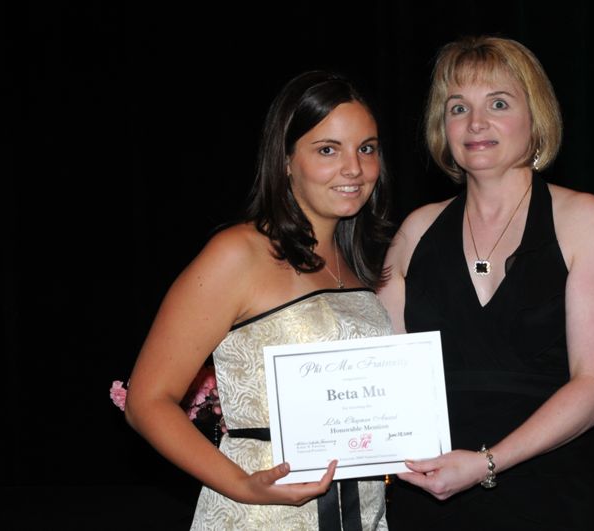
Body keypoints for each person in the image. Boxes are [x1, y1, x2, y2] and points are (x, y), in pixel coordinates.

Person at [378, 35, 594, 530]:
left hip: (553, 496)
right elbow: (382, 374)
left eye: (498, 103)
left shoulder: (584, 220)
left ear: (535, 119)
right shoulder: (415, 231)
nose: (476, 123)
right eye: (458, 107)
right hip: (431, 499)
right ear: (442, 127)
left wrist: (485, 463)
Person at [125, 70, 394, 530]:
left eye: (366, 148)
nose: (354, 168)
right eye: (328, 149)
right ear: (286, 160)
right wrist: (242, 484)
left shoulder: (354, 265)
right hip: (259, 514)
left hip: (362, 513)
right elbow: (147, 401)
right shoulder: (238, 253)